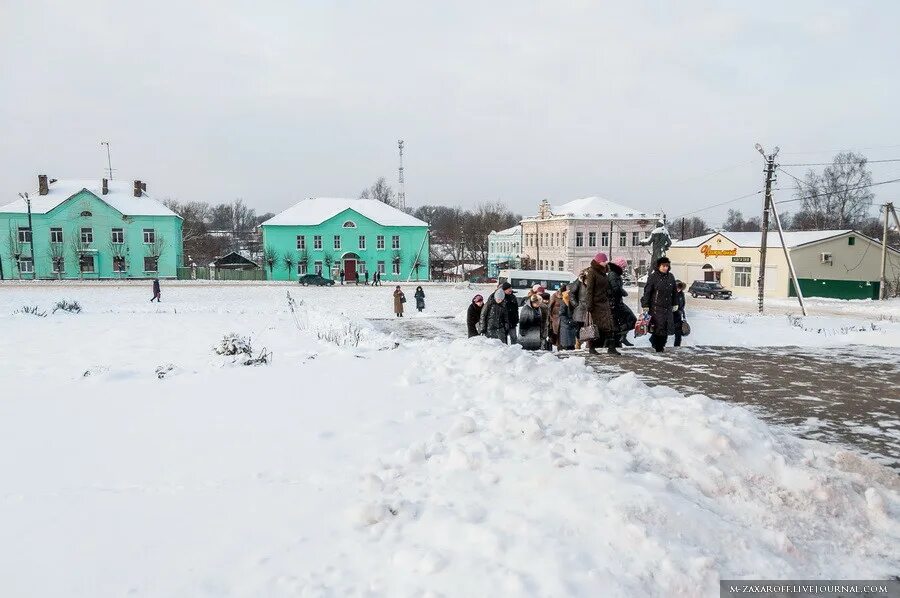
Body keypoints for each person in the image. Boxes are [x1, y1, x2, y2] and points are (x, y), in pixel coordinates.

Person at [641, 256, 678, 352]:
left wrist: (675, 303)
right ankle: (658, 346)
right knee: (659, 328)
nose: (665, 268)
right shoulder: (653, 277)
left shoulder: (671, 277)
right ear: (658, 266)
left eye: (667, 266)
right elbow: (647, 292)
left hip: (668, 307)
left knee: (666, 328)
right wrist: (645, 305)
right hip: (656, 307)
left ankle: (660, 345)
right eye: (663, 266)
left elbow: (674, 291)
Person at [583, 252, 617, 354]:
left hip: (604, 303)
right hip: (596, 304)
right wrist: (589, 305)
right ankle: (592, 348)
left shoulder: (603, 272)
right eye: (603, 261)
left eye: (605, 261)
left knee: (609, 326)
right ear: (598, 262)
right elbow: (589, 290)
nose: (605, 263)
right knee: (595, 326)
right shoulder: (592, 272)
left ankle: (611, 347)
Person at [608, 257, 637, 347]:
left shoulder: (616, 274)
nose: (624, 269)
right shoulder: (613, 274)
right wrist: (623, 292)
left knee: (627, 319)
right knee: (630, 318)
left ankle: (622, 336)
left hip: (617, 302)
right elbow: (615, 288)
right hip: (615, 303)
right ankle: (621, 337)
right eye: (623, 267)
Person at [569, 270, 588, 348]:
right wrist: (576, 304)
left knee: (590, 326)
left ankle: (588, 343)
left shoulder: (593, 282)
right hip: (580, 308)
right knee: (579, 327)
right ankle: (578, 343)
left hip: (590, 308)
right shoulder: (578, 282)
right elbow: (572, 294)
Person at [548, 284, 566, 350]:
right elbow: (549, 307)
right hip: (555, 317)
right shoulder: (554, 296)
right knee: (556, 332)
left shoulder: (566, 296)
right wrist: (550, 317)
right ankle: (554, 345)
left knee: (561, 333)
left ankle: (560, 346)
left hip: (563, 317)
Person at [558, 285, 576, 350]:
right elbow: (561, 314)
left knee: (571, 346)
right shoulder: (564, 301)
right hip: (566, 326)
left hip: (572, 325)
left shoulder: (573, 300)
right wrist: (568, 321)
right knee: (567, 347)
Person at [673, 280, 687, 347]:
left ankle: (677, 347)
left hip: (678, 316)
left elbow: (683, 304)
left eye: (680, 287)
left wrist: (681, 312)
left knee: (678, 333)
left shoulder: (681, 294)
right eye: (677, 287)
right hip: (669, 316)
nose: (678, 289)